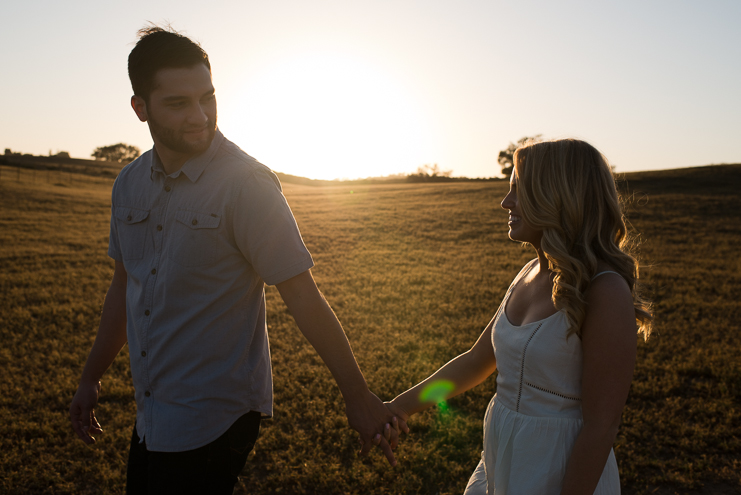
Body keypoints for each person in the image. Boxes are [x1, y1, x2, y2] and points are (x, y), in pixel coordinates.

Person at [68, 25, 403, 494]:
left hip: (215, 415)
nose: (201, 116)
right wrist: (90, 378)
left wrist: (358, 396)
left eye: (208, 97)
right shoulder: (128, 184)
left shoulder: (247, 185)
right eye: (178, 103)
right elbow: (124, 287)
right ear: (140, 108)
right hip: (153, 410)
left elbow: (303, 295)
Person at [385, 138, 652, 494]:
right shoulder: (528, 272)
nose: (505, 202)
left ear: (555, 196)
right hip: (501, 456)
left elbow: (601, 426)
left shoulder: (604, 291)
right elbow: (477, 361)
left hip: (559, 467)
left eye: (517, 190)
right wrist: (396, 409)